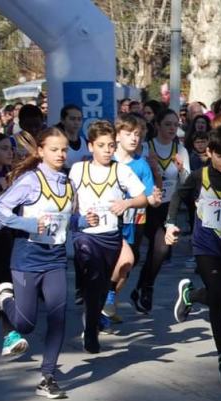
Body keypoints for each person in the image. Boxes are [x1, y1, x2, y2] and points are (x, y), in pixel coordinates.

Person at [0, 128, 82, 398]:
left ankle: (48, 377)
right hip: (26, 258)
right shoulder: (30, 180)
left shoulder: (68, 184)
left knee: (58, 316)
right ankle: (3, 298)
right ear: (41, 151)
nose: (60, 154)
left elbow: (67, 219)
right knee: (26, 324)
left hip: (55, 259)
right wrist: (29, 223)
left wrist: (82, 221)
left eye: (64, 149)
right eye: (54, 149)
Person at [166, 126, 221, 378]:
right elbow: (177, 198)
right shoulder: (198, 176)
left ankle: (190, 295)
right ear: (209, 152)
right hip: (204, 245)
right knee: (219, 298)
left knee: (217, 294)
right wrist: (171, 224)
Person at [69, 120, 150, 352]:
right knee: (93, 277)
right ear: (90, 145)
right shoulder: (78, 170)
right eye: (102, 145)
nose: (107, 150)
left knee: (102, 286)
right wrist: (76, 219)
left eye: (111, 145)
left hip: (111, 236)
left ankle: (92, 319)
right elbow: (68, 200)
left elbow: (142, 198)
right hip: (85, 235)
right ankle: (91, 332)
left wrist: (127, 203)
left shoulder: (121, 170)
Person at [132, 109, 190, 313]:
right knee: (136, 253)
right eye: (167, 124)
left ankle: (146, 287)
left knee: (161, 248)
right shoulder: (146, 148)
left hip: (168, 207)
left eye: (175, 125)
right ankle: (138, 286)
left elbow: (187, 183)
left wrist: (182, 170)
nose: (172, 128)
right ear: (157, 125)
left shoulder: (180, 150)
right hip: (146, 205)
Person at [105, 114, 161, 324]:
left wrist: (154, 200)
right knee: (118, 262)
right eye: (128, 134)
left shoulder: (142, 165)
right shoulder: (107, 160)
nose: (133, 138)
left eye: (137, 134)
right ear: (117, 136)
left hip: (135, 222)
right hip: (109, 222)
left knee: (125, 268)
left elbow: (148, 197)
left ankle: (108, 301)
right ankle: (105, 300)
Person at [0, 132, 29, 357]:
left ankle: (10, 336)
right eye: (4, 148)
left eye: (11, 148)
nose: (10, 152)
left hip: (7, 237)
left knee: (9, 286)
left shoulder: (13, 174)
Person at [56, 105, 88, 170]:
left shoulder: (87, 143)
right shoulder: (57, 144)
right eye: (72, 119)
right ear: (62, 120)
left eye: (79, 119)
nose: (76, 123)